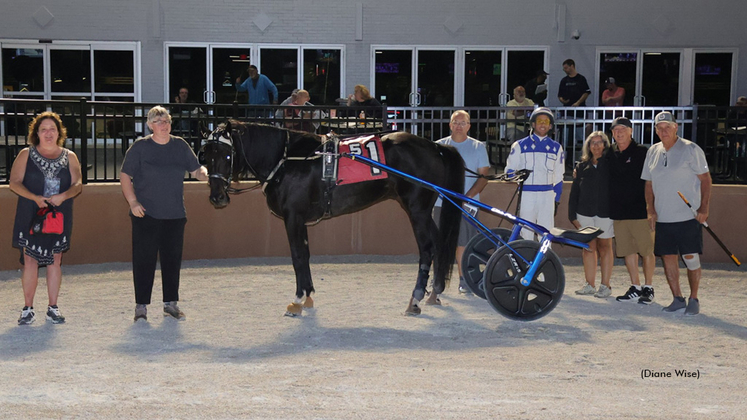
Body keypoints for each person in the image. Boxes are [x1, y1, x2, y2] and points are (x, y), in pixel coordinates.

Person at [120, 105, 209, 322]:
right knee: (144, 260)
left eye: (167, 120)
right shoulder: (140, 148)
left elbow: (195, 169)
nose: (164, 125)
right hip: (146, 215)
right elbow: (124, 175)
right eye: (158, 121)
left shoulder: (180, 146)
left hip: (175, 215)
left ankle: (171, 304)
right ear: (150, 125)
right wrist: (133, 202)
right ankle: (141, 306)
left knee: (172, 260)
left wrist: (204, 173)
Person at [10, 111, 83, 325]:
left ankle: (53, 307)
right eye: (44, 129)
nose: (48, 133)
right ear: (37, 133)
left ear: (59, 132)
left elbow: (78, 185)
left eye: (52, 129)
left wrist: (63, 196)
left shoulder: (70, 156)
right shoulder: (26, 154)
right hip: (30, 213)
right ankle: (28, 309)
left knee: (55, 259)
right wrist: (34, 198)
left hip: (58, 215)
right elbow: (14, 182)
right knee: (30, 260)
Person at [642, 111, 712, 316]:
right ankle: (678, 298)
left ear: (676, 128)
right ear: (655, 130)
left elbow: (706, 180)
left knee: (690, 258)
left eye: (667, 127)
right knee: (669, 259)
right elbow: (648, 183)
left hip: (687, 217)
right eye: (659, 128)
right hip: (663, 218)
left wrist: (704, 208)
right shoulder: (653, 151)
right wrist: (651, 210)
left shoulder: (691, 149)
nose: (663, 131)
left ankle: (694, 298)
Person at [427, 110, 490, 297]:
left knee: (464, 243)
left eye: (463, 122)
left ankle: (465, 280)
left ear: (469, 126)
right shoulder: (439, 146)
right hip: (441, 203)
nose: (459, 126)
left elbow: (483, 177)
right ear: (450, 124)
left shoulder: (478, 147)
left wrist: (466, 197)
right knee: (440, 242)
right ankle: (437, 279)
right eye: (456, 122)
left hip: (468, 204)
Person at [605, 117, 656, 304]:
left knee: (647, 251)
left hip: (640, 211)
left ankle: (648, 287)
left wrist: (651, 208)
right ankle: (635, 286)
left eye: (623, 129)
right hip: (618, 212)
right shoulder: (609, 153)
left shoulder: (643, 152)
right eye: (615, 130)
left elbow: (651, 181)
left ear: (631, 131)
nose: (619, 133)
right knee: (628, 251)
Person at [505, 107, 565, 240]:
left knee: (546, 233)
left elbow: (559, 176)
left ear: (550, 126)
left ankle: (544, 260)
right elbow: (509, 171)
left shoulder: (556, 148)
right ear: (533, 124)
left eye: (546, 121)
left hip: (547, 196)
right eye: (539, 121)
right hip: (527, 195)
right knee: (526, 232)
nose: (542, 124)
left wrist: (556, 199)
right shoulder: (519, 145)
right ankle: (526, 259)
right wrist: (518, 175)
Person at [568, 131, 614, 298]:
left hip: (606, 213)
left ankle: (605, 286)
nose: (596, 146)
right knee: (588, 248)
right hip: (584, 213)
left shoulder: (611, 164)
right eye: (592, 143)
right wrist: (572, 215)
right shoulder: (581, 166)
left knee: (605, 247)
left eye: (599, 142)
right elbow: (575, 193)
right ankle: (590, 284)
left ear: (605, 145)